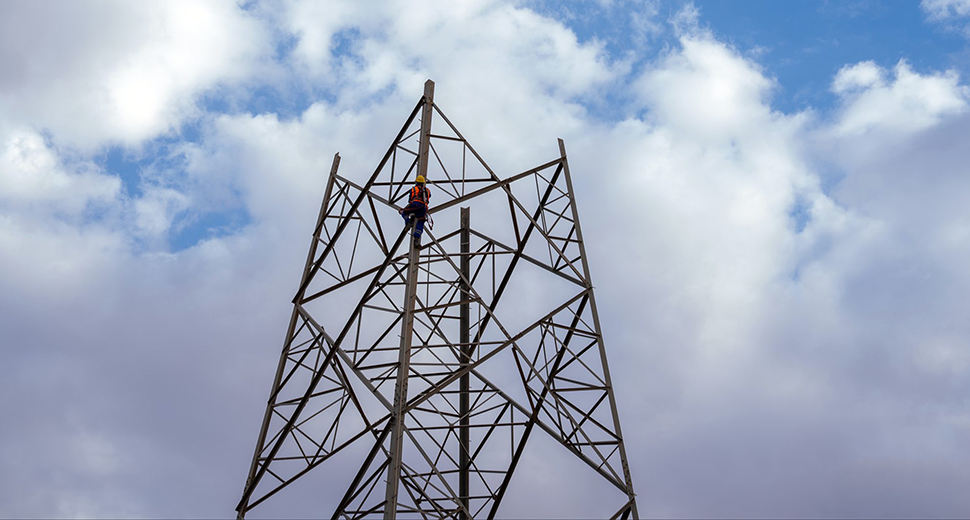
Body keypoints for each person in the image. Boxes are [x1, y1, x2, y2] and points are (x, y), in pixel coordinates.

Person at [399, 175, 431, 245]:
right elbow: (429, 197)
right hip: (423, 208)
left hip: (415, 205)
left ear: (416, 182)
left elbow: (410, 200)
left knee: (402, 211)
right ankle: (416, 238)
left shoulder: (414, 189)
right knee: (421, 220)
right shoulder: (427, 190)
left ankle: (408, 222)